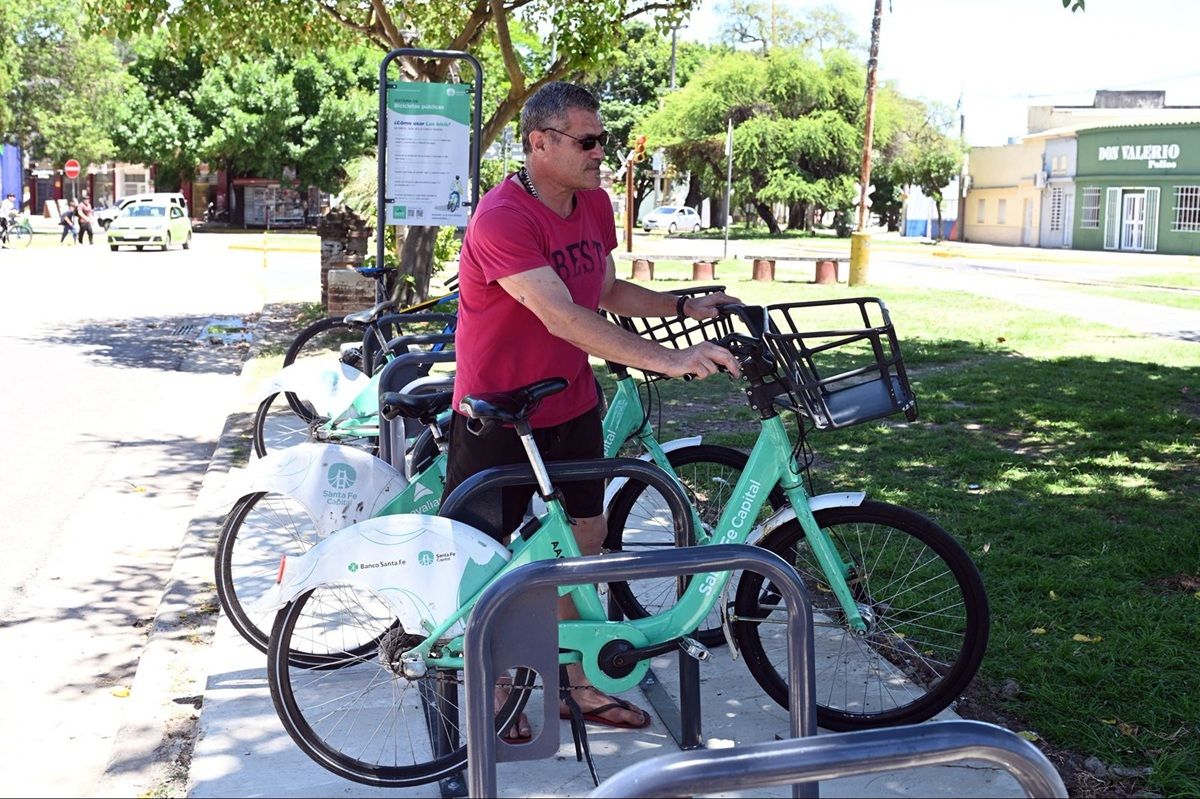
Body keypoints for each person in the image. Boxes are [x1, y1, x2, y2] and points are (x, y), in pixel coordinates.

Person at [444, 81, 741, 739]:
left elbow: (603, 287)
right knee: (482, 553)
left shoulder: (593, 204)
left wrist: (681, 309)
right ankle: (491, 684)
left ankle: (572, 679)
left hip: (571, 403)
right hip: (497, 414)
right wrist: (671, 359)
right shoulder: (503, 218)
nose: (600, 151)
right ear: (539, 144)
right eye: (587, 140)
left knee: (585, 543)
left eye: (601, 138)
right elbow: (562, 314)